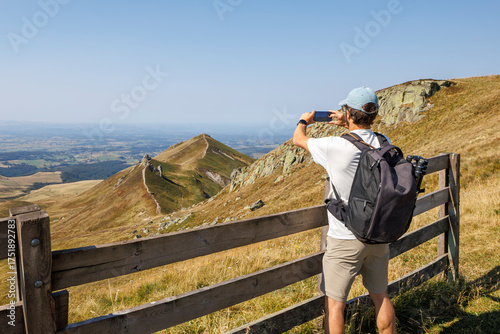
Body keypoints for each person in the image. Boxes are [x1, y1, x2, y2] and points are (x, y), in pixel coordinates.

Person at [292, 87, 396, 334]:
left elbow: (298, 139)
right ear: (374, 114)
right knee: (381, 296)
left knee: (335, 304)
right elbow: (361, 139)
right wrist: (348, 121)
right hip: (378, 232)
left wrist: (303, 121)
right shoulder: (384, 142)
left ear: (349, 112)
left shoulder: (334, 146)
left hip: (345, 237)